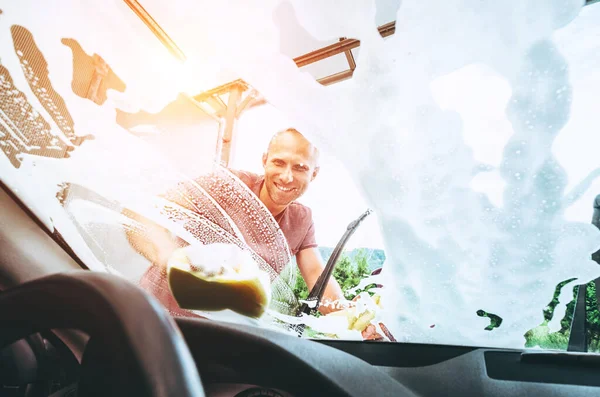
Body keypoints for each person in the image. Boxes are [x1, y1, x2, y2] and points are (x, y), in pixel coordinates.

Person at [125, 128, 345, 315]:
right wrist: (170, 257)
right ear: (264, 161)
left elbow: (318, 277)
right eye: (279, 162)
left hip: (223, 335)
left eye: (300, 167)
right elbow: (143, 211)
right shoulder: (227, 186)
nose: (287, 177)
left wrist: (350, 316)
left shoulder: (302, 220)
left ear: (314, 174)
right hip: (158, 314)